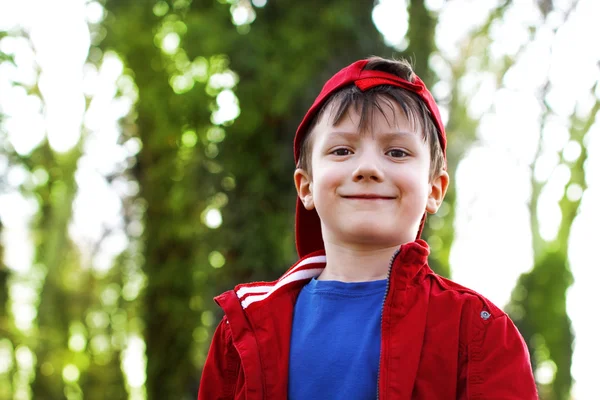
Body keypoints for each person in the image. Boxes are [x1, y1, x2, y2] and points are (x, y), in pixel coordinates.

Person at [198, 57, 538, 399]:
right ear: (305, 187)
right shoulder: (242, 330)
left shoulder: (479, 332)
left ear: (434, 190)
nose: (367, 168)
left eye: (397, 152)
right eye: (342, 150)